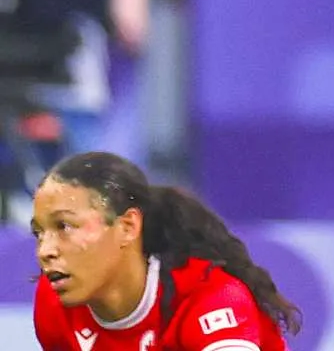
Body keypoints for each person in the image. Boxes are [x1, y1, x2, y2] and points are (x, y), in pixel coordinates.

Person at [31, 150, 297, 351]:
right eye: (38, 233)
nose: (46, 250)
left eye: (64, 226)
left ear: (127, 226)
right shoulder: (53, 303)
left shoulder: (209, 296)